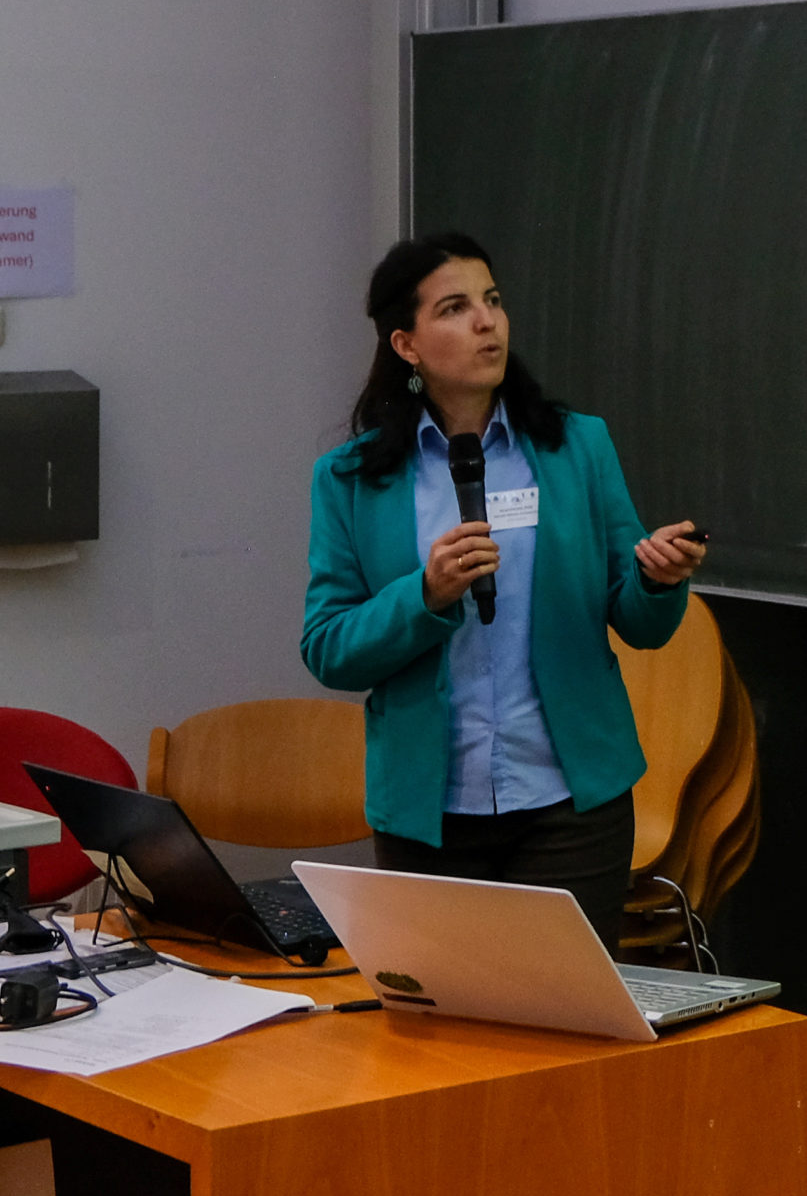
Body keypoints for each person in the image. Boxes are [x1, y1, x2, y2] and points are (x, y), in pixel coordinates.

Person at [301, 233, 707, 950]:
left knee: (564, 1028)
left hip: (569, 800)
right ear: (407, 345)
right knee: (439, 1038)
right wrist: (424, 596)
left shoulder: (577, 448)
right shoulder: (352, 479)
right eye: (455, 308)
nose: (487, 322)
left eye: (492, 301)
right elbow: (330, 648)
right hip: (431, 810)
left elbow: (638, 620)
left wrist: (655, 580)